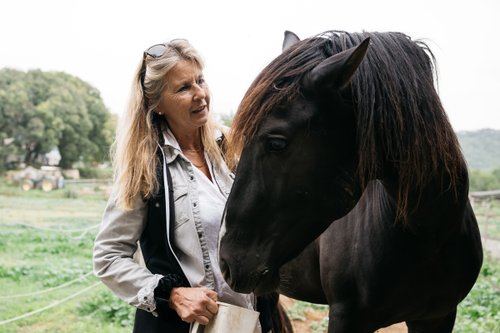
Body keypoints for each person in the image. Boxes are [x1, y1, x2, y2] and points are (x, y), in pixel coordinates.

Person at [92, 38, 286, 333]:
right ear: (156, 104)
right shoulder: (144, 167)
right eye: (183, 88)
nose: (200, 94)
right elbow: (108, 257)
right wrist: (172, 295)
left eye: (200, 80)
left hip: (251, 325)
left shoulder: (236, 149)